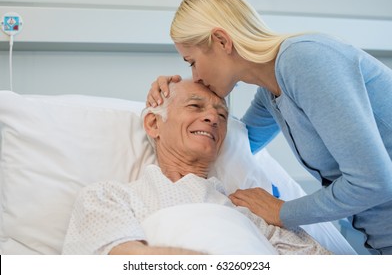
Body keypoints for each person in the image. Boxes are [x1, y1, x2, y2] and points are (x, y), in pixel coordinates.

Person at [146, 0, 392, 255]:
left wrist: (281, 211)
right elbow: (235, 144)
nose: (195, 75)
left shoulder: (305, 60)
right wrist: (173, 95)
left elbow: (374, 182)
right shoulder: (271, 92)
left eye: (192, 62)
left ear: (221, 41)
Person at [62, 79, 331, 255]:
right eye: (194, 106)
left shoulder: (250, 209)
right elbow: (124, 260)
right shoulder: (110, 197)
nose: (213, 118)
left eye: (222, 115)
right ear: (154, 124)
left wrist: (281, 213)